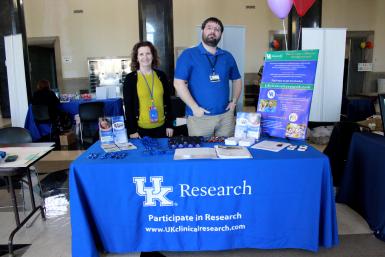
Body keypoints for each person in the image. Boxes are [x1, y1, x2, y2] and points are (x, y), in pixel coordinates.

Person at [174, 17, 242, 137]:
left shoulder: (227, 56)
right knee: (201, 154)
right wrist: (195, 108)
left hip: (226, 117)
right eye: (209, 28)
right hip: (200, 118)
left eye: (217, 29)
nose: (213, 31)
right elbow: (178, 83)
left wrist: (234, 102)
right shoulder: (188, 55)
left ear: (220, 34)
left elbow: (237, 79)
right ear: (202, 31)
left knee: (228, 151)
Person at [123, 41, 174, 139]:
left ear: (153, 56)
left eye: (148, 53)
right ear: (136, 58)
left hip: (162, 129)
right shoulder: (130, 79)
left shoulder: (161, 76)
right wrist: (132, 130)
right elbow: (128, 107)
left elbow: (168, 102)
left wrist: (169, 125)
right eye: (141, 54)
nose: (145, 57)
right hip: (140, 131)